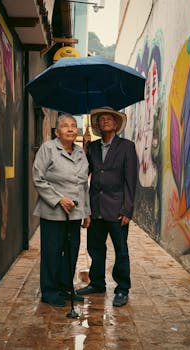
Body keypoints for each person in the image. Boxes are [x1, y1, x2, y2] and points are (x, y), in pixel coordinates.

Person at [76, 107, 137, 307]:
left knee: (121, 250)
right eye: (101, 119)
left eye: (109, 118)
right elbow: (84, 173)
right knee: (95, 247)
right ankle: (97, 283)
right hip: (96, 208)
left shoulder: (127, 147)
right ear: (98, 125)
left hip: (117, 209)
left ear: (116, 123)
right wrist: (84, 152)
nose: (105, 121)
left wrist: (127, 209)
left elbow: (131, 181)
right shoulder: (92, 147)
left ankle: (122, 289)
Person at [33, 114, 91, 307]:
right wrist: (58, 199)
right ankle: (49, 291)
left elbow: (83, 186)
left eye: (74, 126)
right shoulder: (48, 149)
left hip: (74, 214)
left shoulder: (81, 153)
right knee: (52, 252)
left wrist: (86, 212)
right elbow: (38, 179)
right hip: (53, 213)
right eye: (65, 126)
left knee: (71, 251)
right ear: (57, 131)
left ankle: (66, 288)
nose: (70, 129)